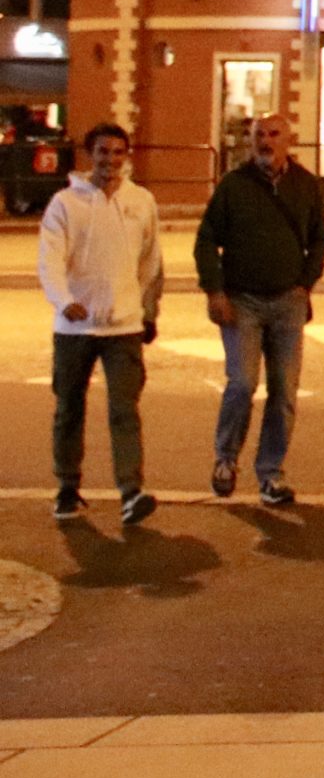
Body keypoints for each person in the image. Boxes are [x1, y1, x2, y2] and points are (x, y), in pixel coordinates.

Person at [194, 112, 324, 506]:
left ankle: (271, 474)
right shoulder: (234, 186)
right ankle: (225, 459)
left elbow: (320, 238)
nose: (266, 142)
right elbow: (205, 240)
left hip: (288, 300)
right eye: (259, 136)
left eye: (273, 134)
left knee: (284, 390)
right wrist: (214, 291)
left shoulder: (305, 186)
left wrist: (305, 282)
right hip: (242, 302)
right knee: (242, 383)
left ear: (289, 140)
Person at [39, 123, 162, 525]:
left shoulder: (141, 201)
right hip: (74, 329)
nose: (110, 160)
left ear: (126, 156)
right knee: (69, 408)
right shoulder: (65, 204)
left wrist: (146, 310)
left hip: (123, 327)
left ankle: (131, 491)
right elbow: (50, 259)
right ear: (89, 153)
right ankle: (67, 487)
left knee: (125, 410)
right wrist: (65, 300)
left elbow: (151, 261)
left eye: (118, 152)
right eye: (103, 152)